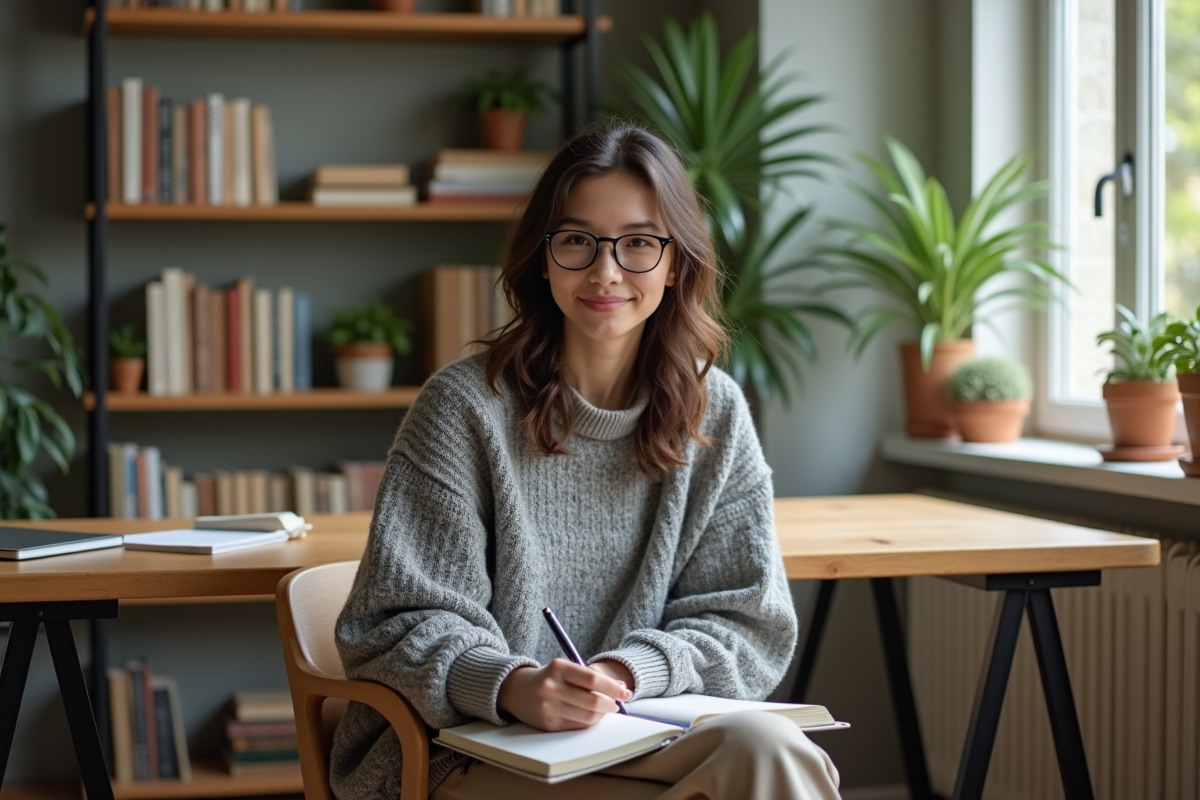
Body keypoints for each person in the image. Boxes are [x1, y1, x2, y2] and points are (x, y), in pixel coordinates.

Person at [331, 121, 842, 800]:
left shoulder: (714, 410)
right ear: (543, 258)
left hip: (642, 729)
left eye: (637, 244)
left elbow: (747, 625)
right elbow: (393, 624)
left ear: (675, 262)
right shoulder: (463, 406)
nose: (606, 272)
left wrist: (630, 673)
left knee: (772, 749)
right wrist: (512, 686)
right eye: (577, 241)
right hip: (461, 749)